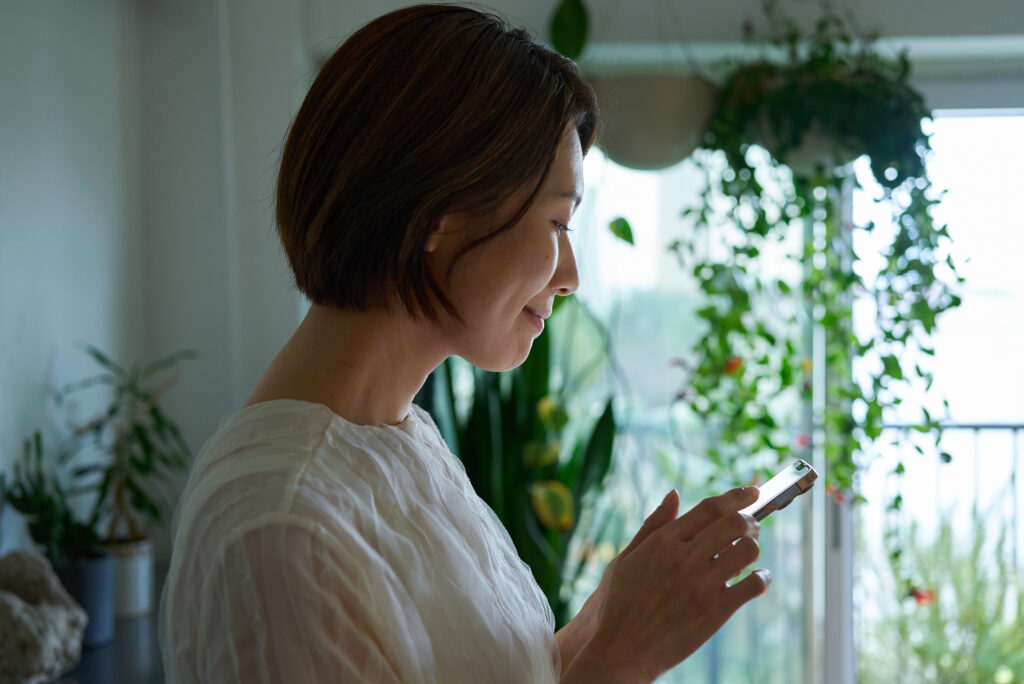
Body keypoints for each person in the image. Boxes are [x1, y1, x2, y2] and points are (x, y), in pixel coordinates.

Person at [159, 5, 770, 683]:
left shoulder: (402, 438)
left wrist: (610, 616)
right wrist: (625, 657)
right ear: (442, 214)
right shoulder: (282, 531)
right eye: (557, 223)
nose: (571, 278)